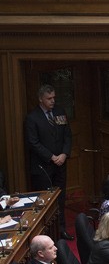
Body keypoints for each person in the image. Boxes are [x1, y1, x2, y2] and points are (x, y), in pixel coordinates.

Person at [25, 84, 74, 240]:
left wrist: (64, 154)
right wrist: (52, 156)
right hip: (43, 167)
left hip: (61, 163)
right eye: (49, 98)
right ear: (41, 99)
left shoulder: (60, 112)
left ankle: (61, 229)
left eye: (54, 97)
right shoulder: (33, 118)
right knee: (46, 201)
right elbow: (33, 143)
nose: (52, 101)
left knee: (61, 197)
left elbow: (67, 135)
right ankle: (47, 234)